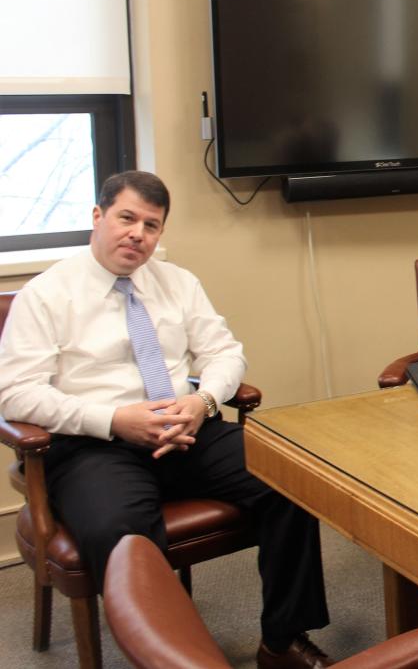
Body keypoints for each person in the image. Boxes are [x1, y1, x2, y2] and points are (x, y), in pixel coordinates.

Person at [0, 171, 332, 669]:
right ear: (98, 217)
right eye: (126, 218)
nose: (138, 234)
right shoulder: (46, 294)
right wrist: (113, 419)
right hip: (94, 445)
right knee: (122, 531)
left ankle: (282, 643)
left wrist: (204, 403)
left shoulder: (178, 283)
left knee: (288, 477)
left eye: (151, 226)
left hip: (187, 429)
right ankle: (170, 660)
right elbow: (17, 395)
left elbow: (225, 353)